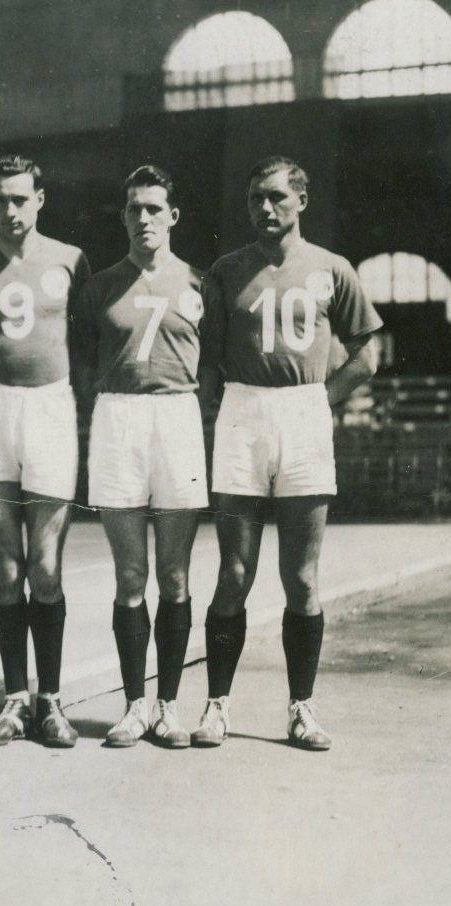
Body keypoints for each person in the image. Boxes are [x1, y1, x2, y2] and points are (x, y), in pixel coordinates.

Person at [194, 156, 382, 751]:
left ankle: (301, 708)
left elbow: (367, 355)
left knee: (301, 577)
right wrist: (214, 411)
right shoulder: (226, 270)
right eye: (256, 198)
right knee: (234, 572)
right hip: (244, 410)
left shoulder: (331, 268)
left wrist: (321, 399)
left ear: (302, 199)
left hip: (304, 410)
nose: (265, 207)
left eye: (276, 196)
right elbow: (208, 362)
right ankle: (216, 705)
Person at [72, 165, 217, 749]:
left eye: (154, 208)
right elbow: (82, 362)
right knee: (130, 574)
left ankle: (168, 707)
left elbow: (214, 362)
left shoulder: (202, 283)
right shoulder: (100, 286)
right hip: (118, 417)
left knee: (174, 574)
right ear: (123, 216)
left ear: (173, 216)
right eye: (134, 208)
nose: (144, 218)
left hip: (177, 416)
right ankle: (134, 705)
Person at [0, 156, 90, 747]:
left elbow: (89, 338)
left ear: (39, 199)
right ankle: (15, 699)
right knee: (6, 568)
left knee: (47, 567)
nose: (9, 210)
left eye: (19, 198)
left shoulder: (71, 260)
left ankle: (51, 700)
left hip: (51, 406)